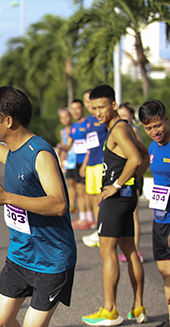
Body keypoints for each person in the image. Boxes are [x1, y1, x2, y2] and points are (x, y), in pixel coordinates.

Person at [0, 86, 77, 327]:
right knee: (1, 322)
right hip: (19, 255)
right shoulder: (16, 151)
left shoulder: (41, 153)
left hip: (51, 260)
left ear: (9, 121)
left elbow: (58, 204)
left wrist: (7, 198)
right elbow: (7, 157)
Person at [82, 85, 149, 326]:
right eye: (93, 108)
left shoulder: (118, 130)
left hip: (115, 199)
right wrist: (134, 182)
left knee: (107, 251)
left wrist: (118, 185)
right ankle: (138, 306)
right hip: (125, 198)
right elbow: (144, 154)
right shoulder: (125, 128)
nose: (97, 112)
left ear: (113, 105)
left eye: (101, 107)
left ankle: (110, 310)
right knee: (129, 250)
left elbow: (135, 159)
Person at [138, 100, 170, 327]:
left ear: (166, 120)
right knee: (164, 271)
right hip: (159, 218)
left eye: (157, 125)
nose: (154, 131)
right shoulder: (151, 147)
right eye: (148, 128)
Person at [117, 102, 144, 262]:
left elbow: (138, 156)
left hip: (134, 177)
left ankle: (137, 250)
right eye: (119, 115)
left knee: (134, 214)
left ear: (131, 116)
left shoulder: (134, 131)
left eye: (124, 115)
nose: (122, 118)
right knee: (126, 215)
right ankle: (130, 250)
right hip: (124, 177)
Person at [81, 89, 107, 248]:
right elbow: (89, 147)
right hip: (90, 164)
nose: (89, 104)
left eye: (91, 100)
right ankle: (98, 229)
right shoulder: (88, 121)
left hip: (100, 163)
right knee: (92, 198)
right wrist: (84, 164)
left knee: (99, 199)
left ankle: (102, 231)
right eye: (86, 101)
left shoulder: (102, 119)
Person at [66, 99, 94, 230]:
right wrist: (61, 149)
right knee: (79, 190)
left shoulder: (89, 123)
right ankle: (83, 217)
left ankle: (90, 218)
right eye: (72, 109)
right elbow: (69, 144)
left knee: (87, 191)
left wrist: (85, 163)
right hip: (77, 162)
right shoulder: (73, 127)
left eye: (77, 108)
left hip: (87, 162)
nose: (75, 112)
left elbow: (91, 145)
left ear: (83, 108)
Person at [57, 108, 77, 213]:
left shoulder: (75, 128)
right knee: (70, 182)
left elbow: (67, 146)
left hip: (78, 159)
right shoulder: (63, 131)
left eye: (67, 116)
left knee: (78, 184)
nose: (65, 119)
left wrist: (60, 148)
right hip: (69, 161)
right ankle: (72, 204)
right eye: (62, 117)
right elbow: (64, 145)